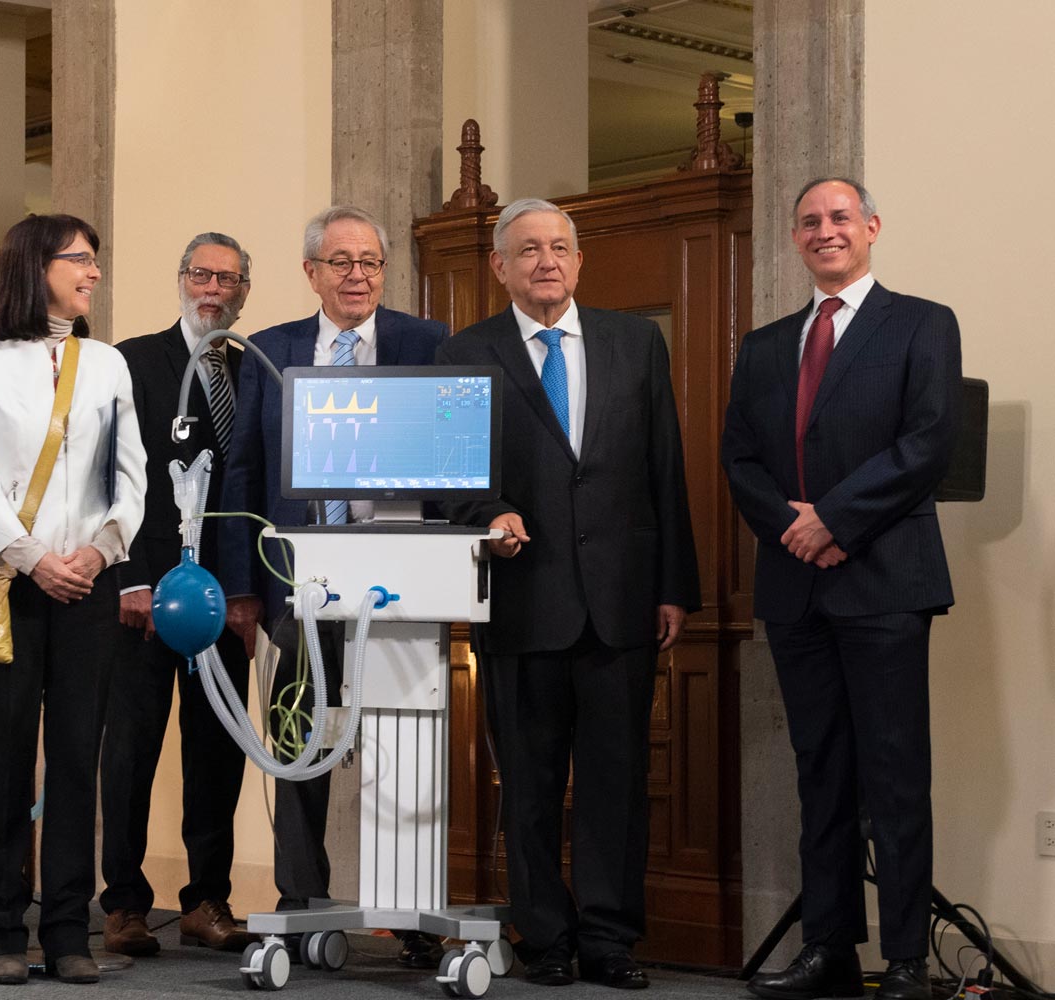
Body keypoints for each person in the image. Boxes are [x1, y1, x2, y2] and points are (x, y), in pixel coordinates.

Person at [436, 198, 700, 989]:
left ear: (579, 262)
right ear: (500, 267)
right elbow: (454, 480)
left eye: (559, 248)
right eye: (528, 249)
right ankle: (545, 937)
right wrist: (490, 515)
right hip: (522, 602)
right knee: (531, 785)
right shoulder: (466, 353)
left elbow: (666, 471)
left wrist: (673, 588)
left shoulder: (636, 342)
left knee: (616, 786)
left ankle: (610, 939)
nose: (546, 261)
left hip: (622, 603)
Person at [722, 178, 961, 1000]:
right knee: (818, 771)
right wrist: (796, 529)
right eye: (809, 223)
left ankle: (904, 959)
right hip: (796, 590)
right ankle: (829, 948)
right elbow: (739, 459)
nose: (825, 232)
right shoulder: (763, 346)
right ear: (795, 240)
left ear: (871, 227)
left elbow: (928, 443)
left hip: (886, 583)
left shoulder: (923, 324)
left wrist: (833, 520)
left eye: (839, 218)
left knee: (894, 776)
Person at [217, 204, 447, 969]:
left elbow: (450, 463)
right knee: (297, 744)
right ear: (311, 271)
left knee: (397, 743)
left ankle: (409, 907)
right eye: (342, 262)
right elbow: (244, 470)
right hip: (298, 587)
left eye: (371, 262)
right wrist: (245, 587)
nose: (358, 275)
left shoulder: (425, 343)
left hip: (400, 590)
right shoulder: (270, 350)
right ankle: (301, 904)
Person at [0, 214, 146, 986]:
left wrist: (97, 551)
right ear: (37, 265)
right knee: (6, 763)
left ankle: (67, 933)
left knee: (75, 762)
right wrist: (33, 559)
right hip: (9, 586)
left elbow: (132, 479)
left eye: (95, 261)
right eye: (80, 260)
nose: (93, 273)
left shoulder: (107, 364)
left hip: (87, 588)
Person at [99, 232, 254, 956]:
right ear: (182, 280)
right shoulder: (132, 361)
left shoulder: (254, 369)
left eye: (227, 278)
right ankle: (125, 905)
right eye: (202, 273)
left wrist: (249, 593)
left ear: (243, 290)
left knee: (218, 751)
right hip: (146, 595)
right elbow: (107, 472)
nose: (213, 288)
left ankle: (206, 899)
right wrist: (128, 574)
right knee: (130, 750)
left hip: (224, 599)